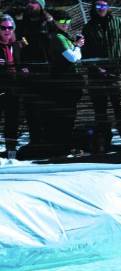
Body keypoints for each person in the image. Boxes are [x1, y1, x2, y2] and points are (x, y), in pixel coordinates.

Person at [82, 0, 121, 152]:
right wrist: (96, 69)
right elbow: (84, 54)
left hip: (115, 73)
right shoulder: (88, 27)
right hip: (96, 76)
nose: (101, 9)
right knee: (100, 110)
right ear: (94, 8)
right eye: (98, 6)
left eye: (104, 6)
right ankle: (103, 142)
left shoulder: (118, 22)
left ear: (108, 7)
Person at [13, 0, 53, 148]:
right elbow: (16, 46)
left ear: (41, 5)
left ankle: (49, 139)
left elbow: (58, 37)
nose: (30, 4)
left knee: (48, 106)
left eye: (34, 2)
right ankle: (35, 141)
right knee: (31, 108)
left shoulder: (48, 21)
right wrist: (20, 63)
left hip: (48, 70)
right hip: (28, 71)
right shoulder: (22, 23)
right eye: (28, 2)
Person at [46, 9, 84, 156]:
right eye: (62, 22)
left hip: (68, 83)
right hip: (63, 84)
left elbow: (75, 56)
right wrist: (78, 47)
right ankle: (63, 148)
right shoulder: (58, 37)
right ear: (55, 21)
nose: (65, 25)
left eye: (68, 22)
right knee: (65, 117)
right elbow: (73, 58)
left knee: (69, 116)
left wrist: (76, 47)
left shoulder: (64, 36)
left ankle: (65, 147)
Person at [0, 14, 26, 159]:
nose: (7, 30)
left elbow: (22, 62)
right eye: (3, 27)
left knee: (12, 120)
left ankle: (11, 151)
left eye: (10, 27)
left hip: (14, 89)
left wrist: (23, 69)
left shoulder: (17, 45)